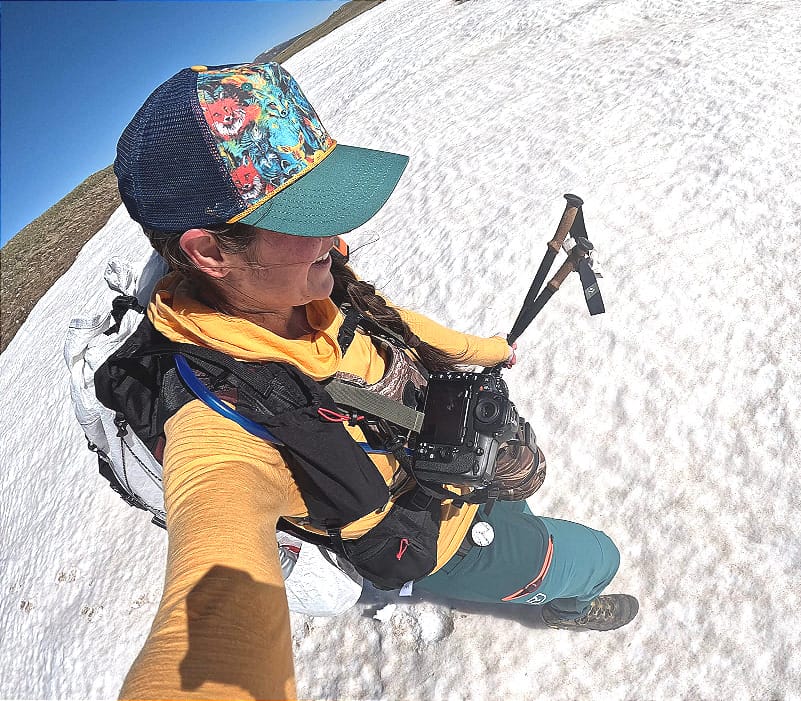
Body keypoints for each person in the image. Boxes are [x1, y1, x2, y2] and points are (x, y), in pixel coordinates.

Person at [110, 62, 638, 700]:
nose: (337, 237)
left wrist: (485, 350)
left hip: (455, 468)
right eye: (307, 218)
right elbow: (213, 607)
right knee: (598, 557)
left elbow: (399, 326)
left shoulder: (309, 292)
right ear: (212, 252)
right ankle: (564, 603)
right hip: (441, 543)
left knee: (516, 491)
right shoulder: (217, 434)